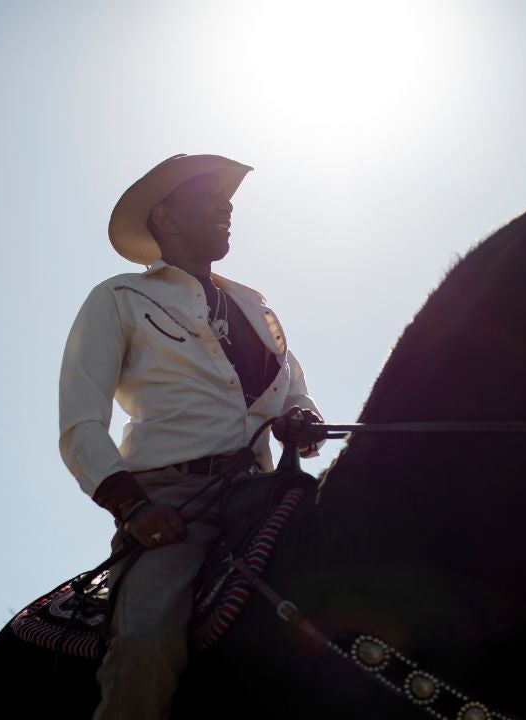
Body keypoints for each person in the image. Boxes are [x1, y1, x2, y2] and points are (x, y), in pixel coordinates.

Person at [58, 153, 324, 720]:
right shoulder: (119, 298)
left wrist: (302, 416)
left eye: (227, 198)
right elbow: (80, 421)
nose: (227, 206)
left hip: (265, 493)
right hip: (174, 504)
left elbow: (292, 384)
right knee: (146, 641)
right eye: (209, 195)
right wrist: (132, 505)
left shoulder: (257, 306)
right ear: (168, 217)